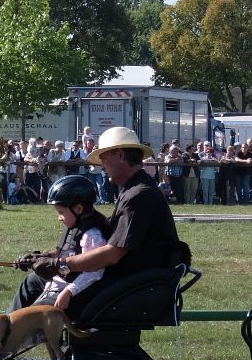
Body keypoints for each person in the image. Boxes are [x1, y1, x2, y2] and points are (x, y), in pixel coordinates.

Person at [10, 126, 180, 314]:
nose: (101, 165)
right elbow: (99, 248)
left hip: (130, 284)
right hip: (124, 279)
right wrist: (46, 257)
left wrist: (58, 264)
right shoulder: (132, 190)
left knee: (38, 315)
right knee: (34, 281)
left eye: (104, 158)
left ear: (121, 155)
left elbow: (111, 254)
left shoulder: (139, 195)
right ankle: (0, 335)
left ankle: (5, 335)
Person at [16, 176, 111, 314]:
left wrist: (69, 291)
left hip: (77, 293)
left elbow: (95, 272)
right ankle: (5, 324)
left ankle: (16, 328)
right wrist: (40, 257)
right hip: (60, 283)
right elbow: (69, 253)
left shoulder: (92, 235)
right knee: (31, 281)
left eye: (61, 212)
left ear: (78, 208)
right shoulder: (76, 226)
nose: (59, 217)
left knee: (30, 317)